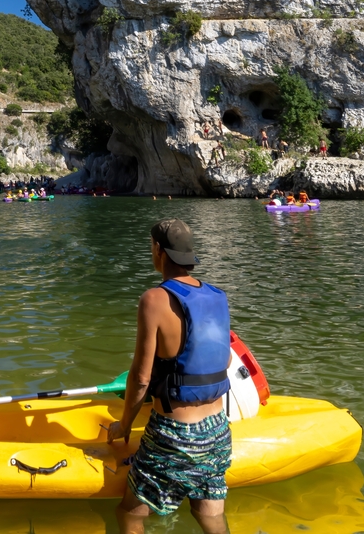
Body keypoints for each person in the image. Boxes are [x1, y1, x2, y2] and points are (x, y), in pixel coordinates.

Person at [107, 219, 233, 534]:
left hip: (175, 435)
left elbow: (139, 377)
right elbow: (224, 357)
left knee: (131, 515)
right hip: (218, 432)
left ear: (159, 251)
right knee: (210, 517)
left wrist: (124, 426)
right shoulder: (218, 296)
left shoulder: (154, 300)